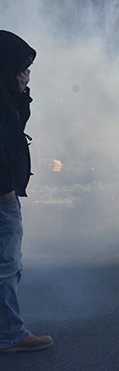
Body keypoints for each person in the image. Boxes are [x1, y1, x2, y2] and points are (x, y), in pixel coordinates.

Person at [0, 30, 53, 353]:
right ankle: (9, 335)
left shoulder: (6, 97)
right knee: (6, 266)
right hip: (1, 195)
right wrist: (5, 189)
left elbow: (16, 129)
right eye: (20, 69)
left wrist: (21, 92)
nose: (26, 74)